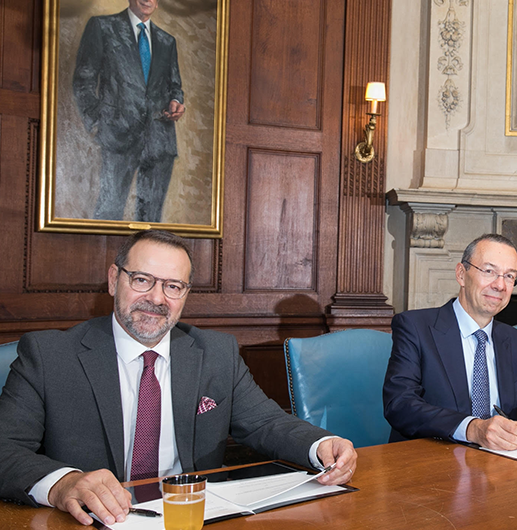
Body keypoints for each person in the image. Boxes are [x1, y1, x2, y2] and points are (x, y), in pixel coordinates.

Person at [0, 230, 357, 526]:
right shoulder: (49, 356)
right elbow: (5, 448)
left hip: (194, 517)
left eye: (173, 286)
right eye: (142, 280)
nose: (157, 298)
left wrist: (320, 445)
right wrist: (64, 484)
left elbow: (264, 422)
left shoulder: (215, 353)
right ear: (113, 279)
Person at [383, 234, 517, 451]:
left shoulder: (514, 340)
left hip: (503, 468)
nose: (500, 285)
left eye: (509, 276)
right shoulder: (416, 327)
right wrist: (473, 429)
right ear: (461, 274)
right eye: (489, 271)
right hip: (432, 462)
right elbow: (400, 404)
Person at [73, 0, 186, 223]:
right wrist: (96, 122)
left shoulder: (167, 41)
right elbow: (83, 80)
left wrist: (176, 101)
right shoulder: (102, 27)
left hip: (159, 141)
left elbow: (175, 86)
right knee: (108, 214)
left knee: (150, 222)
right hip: (117, 136)